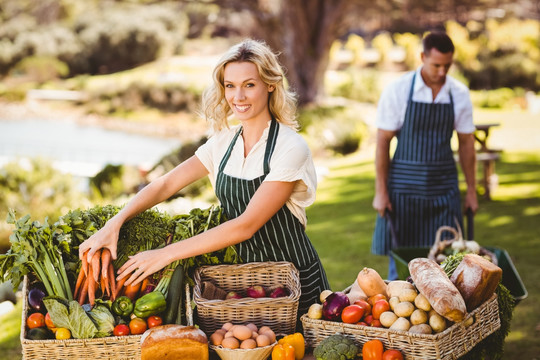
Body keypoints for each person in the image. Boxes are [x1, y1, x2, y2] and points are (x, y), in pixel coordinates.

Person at [78, 39, 330, 317]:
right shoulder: (222, 144)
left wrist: (165, 254)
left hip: (292, 281)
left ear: (270, 84)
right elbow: (166, 184)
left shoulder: (290, 147)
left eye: (249, 85)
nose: (238, 97)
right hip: (244, 281)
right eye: (230, 86)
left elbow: (245, 226)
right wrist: (115, 223)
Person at [371, 31, 478, 280]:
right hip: (404, 191)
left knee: (449, 266)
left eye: (447, 66)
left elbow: (466, 143)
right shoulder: (398, 90)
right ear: (422, 57)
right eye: (436, 65)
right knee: (401, 269)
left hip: (444, 189)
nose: (442, 72)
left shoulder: (458, 94)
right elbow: (382, 141)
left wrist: (471, 189)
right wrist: (381, 191)